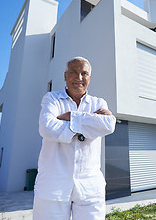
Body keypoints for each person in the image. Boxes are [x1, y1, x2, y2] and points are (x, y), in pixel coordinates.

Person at [33, 56, 116, 220]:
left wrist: (71, 116)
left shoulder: (99, 102)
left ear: (89, 78)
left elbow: (109, 125)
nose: (79, 78)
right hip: (53, 185)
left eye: (84, 73)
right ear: (65, 76)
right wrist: (90, 122)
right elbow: (47, 128)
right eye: (73, 72)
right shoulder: (51, 99)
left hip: (90, 186)